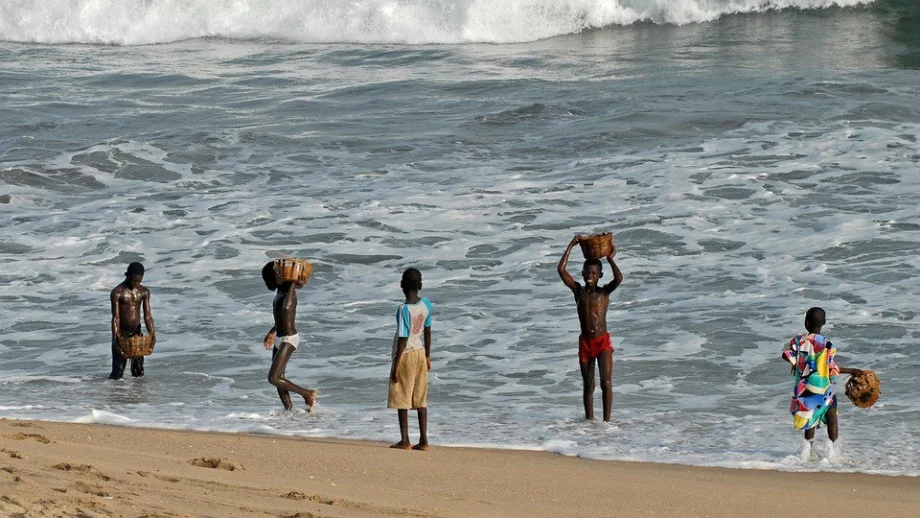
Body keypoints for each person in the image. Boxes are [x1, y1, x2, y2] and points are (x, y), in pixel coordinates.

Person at [558, 235, 623, 422]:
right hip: (585, 343)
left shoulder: (604, 292)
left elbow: (619, 278)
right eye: (587, 273)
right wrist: (571, 244)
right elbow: (561, 270)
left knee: (606, 382)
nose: (589, 276)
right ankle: (589, 423)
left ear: (600, 276)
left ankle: (607, 423)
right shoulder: (578, 291)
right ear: (582, 273)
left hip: (602, 342)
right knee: (588, 385)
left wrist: (610, 258)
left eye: (594, 273)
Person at [782, 307, 862, 451]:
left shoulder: (799, 341)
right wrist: (852, 371)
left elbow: (785, 354)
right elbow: (831, 368)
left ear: (806, 322)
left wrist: (795, 362)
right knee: (832, 416)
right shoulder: (827, 344)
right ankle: (833, 450)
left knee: (810, 420)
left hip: (806, 390)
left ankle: (807, 451)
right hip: (824, 389)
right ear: (824, 323)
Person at [388, 268, 433, 450]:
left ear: (401, 286)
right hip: (421, 353)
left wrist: (396, 366)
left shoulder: (403, 309)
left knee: (402, 397)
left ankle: (405, 440)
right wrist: (428, 355)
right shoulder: (427, 304)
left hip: (405, 355)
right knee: (420, 397)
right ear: (420, 286)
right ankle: (423, 440)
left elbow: (403, 338)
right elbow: (428, 331)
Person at [262, 261, 316, 411]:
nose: (266, 284)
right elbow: (280, 317)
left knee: (273, 378)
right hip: (280, 338)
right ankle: (289, 411)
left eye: (268, 280)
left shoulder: (289, 293)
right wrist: (271, 332)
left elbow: (286, 308)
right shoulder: (280, 292)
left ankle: (307, 393)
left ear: (278, 277)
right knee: (280, 379)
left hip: (289, 339)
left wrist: (293, 283)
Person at [109, 262, 155, 379]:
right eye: (134, 280)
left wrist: (152, 334)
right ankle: (112, 395)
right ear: (127, 275)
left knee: (138, 371)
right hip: (122, 332)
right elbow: (115, 317)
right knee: (118, 371)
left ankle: (137, 396)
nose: (136, 284)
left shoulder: (144, 291)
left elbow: (148, 316)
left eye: (139, 281)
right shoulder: (117, 292)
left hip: (136, 333)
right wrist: (116, 336)